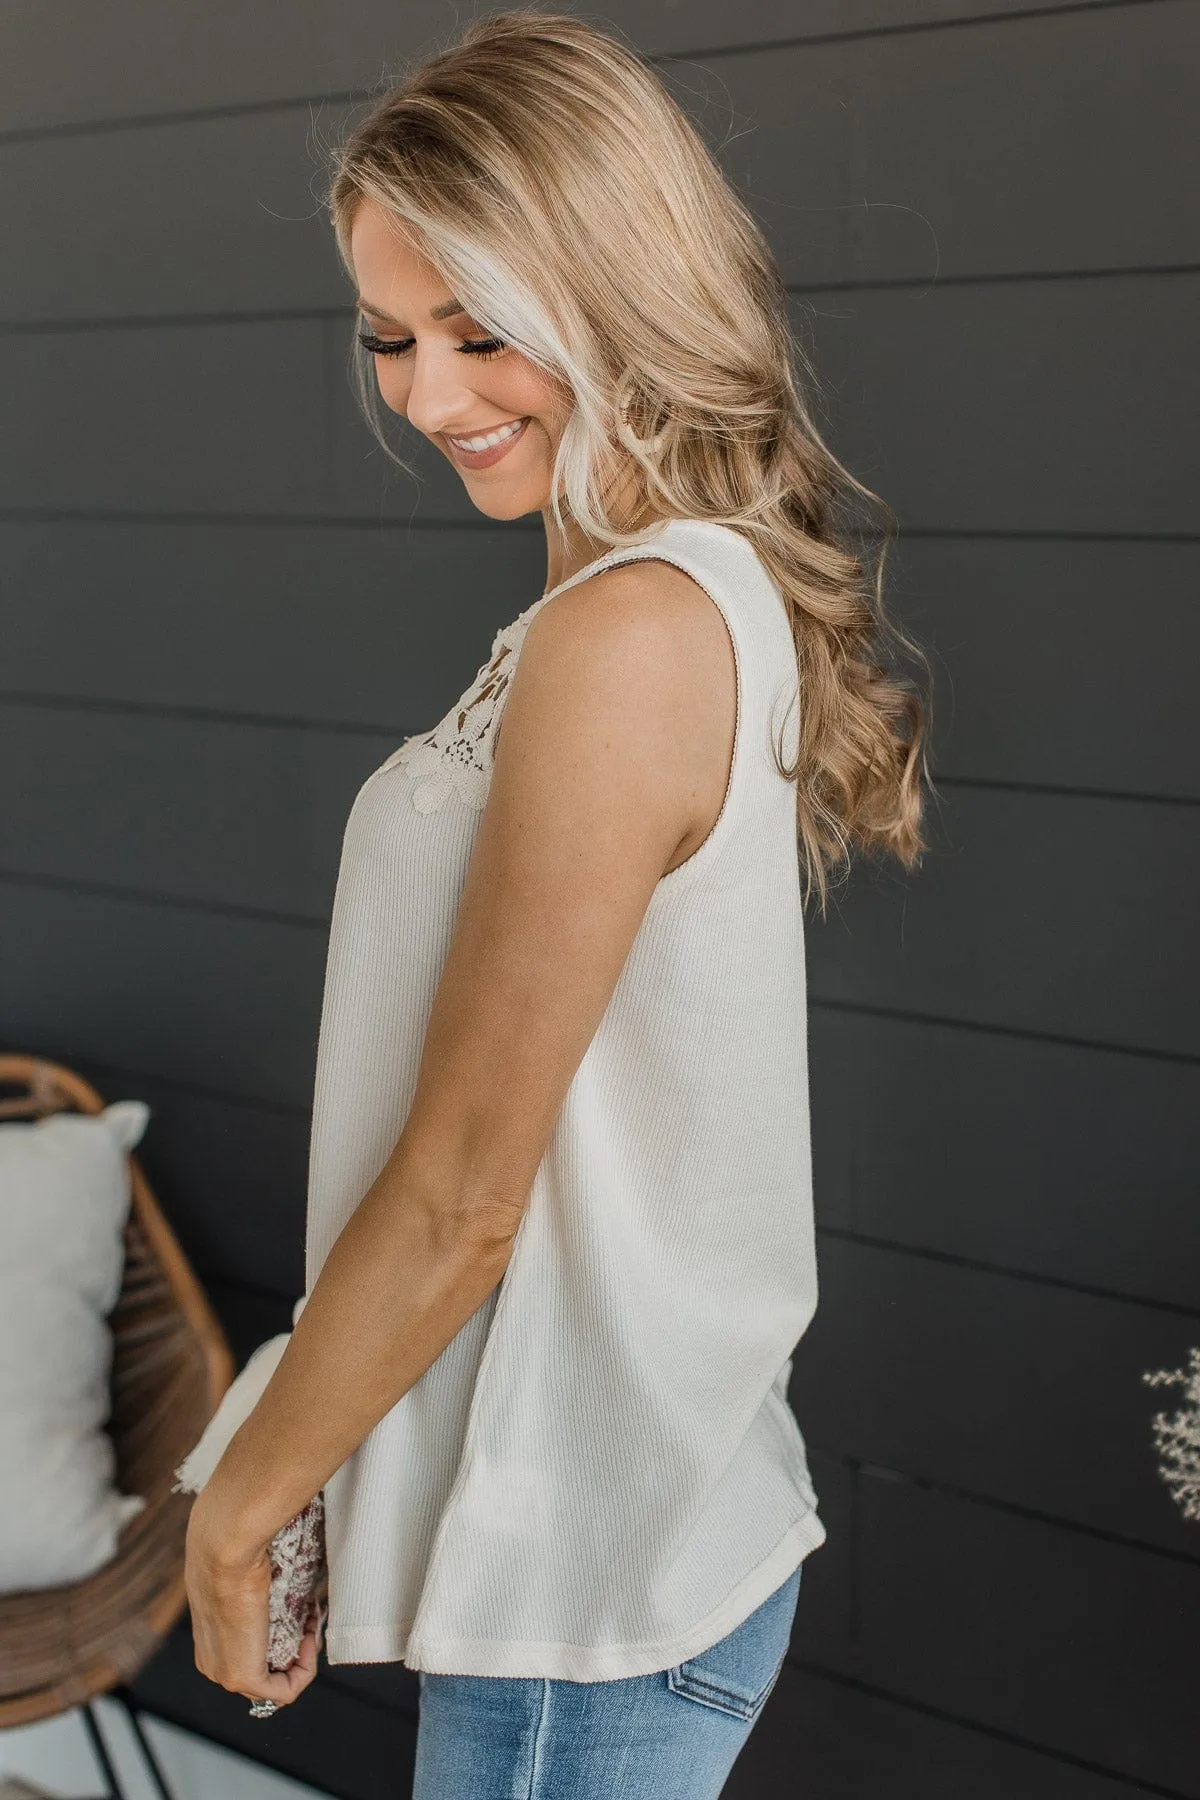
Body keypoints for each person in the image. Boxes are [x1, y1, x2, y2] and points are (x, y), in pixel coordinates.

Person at [183, 11, 930, 1796]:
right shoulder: (663, 601)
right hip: (630, 1543)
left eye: (479, 331)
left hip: (583, 1600)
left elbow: (462, 1200)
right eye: (390, 336)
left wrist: (241, 1507)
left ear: (618, 290)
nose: (431, 396)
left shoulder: (628, 636)